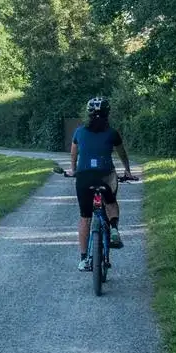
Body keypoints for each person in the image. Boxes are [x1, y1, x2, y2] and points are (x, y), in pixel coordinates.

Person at [71, 97, 135, 272]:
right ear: (108, 113)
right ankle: (114, 228)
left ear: (88, 113)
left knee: (85, 217)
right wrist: (127, 171)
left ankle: (84, 259)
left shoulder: (79, 132)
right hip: (107, 176)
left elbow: (74, 155)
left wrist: (73, 170)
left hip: (84, 177)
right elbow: (122, 154)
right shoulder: (113, 133)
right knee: (111, 202)